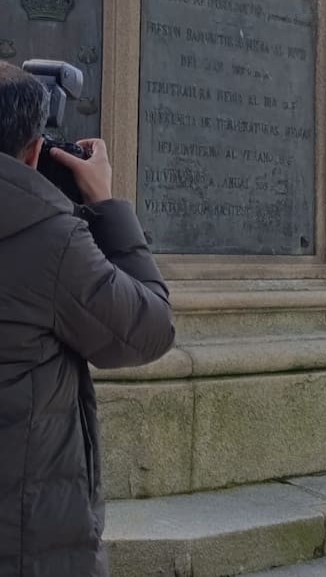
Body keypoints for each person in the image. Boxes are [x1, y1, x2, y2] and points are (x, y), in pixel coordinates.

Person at [0, 61, 175, 575]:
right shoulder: (48, 240)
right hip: (24, 537)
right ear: (34, 151)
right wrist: (106, 204)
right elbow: (149, 330)